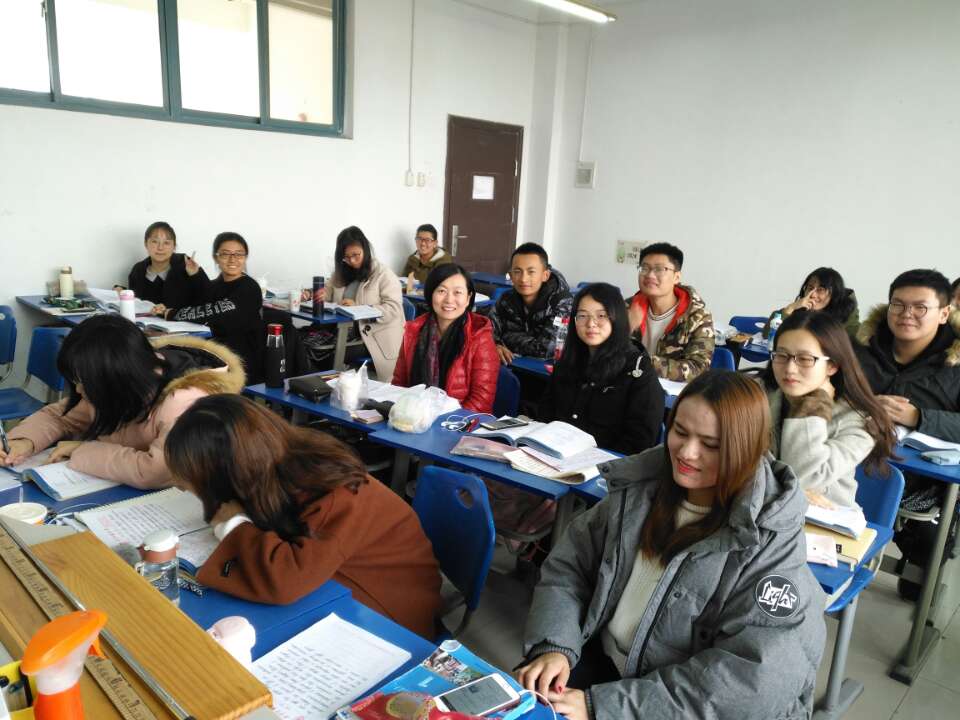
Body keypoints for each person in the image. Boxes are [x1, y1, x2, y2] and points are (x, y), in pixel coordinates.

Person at [517, 371, 825, 720]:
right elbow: (570, 566)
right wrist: (554, 645)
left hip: (682, 704)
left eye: (711, 445)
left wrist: (604, 706)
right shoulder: (640, 488)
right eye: (680, 431)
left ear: (747, 448)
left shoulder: (771, 540)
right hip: (608, 665)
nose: (687, 453)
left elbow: (749, 680)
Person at [164, 394, 441, 638]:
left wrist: (234, 524)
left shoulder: (335, 493)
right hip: (335, 582)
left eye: (193, 482)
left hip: (390, 613)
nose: (180, 487)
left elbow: (286, 580)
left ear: (230, 472)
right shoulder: (274, 465)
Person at [0, 315, 245, 487]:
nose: (79, 390)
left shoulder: (184, 400)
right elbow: (59, 415)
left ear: (118, 377)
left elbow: (155, 472)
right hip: (117, 486)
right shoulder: (114, 385)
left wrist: (82, 450)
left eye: (84, 382)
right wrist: (24, 441)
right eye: (76, 381)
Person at [854, 268, 960, 598]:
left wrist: (919, 417)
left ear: (944, 313)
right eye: (898, 305)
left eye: (920, 307)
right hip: (850, 459)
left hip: (922, 481)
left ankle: (919, 576)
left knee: (926, 557)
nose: (906, 314)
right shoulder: (862, 347)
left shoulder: (955, 365)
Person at [763, 310, 894, 508]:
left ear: (832, 365)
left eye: (805, 359)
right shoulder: (758, 398)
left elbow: (804, 476)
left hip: (825, 519)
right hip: (762, 510)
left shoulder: (860, 422)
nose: (790, 368)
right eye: (781, 355)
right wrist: (779, 490)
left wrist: (814, 405)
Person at [539, 283, 664, 455]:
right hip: (554, 455)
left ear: (617, 318)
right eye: (582, 316)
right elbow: (545, 415)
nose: (591, 323)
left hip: (606, 464)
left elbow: (639, 443)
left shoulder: (638, 370)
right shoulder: (568, 361)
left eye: (601, 316)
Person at [160, 232, 266, 383]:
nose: (232, 259)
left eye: (239, 254)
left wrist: (172, 314)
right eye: (225, 254)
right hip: (214, 352)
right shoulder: (216, 284)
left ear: (245, 257)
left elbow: (213, 311)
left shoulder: (249, 287)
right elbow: (201, 303)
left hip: (240, 360)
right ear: (216, 258)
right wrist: (195, 275)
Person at [392, 264, 499, 413]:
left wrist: (442, 421)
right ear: (430, 294)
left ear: (468, 298)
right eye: (441, 291)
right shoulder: (414, 330)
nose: (449, 300)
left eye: (457, 292)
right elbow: (399, 385)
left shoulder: (480, 336)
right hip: (414, 416)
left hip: (457, 422)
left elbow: (481, 400)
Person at [627, 242, 714, 381]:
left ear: (676, 277)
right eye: (644, 268)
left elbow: (698, 368)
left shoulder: (698, 317)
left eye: (659, 269)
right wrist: (627, 328)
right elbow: (604, 353)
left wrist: (643, 363)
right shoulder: (627, 308)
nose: (650, 275)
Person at [327, 226, 404, 380]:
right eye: (346, 257)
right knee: (305, 344)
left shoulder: (383, 274)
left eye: (356, 255)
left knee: (324, 354)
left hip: (372, 338)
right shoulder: (341, 273)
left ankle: (328, 387)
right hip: (343, 333)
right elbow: (327, 293)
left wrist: (358, 309)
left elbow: (394, 309)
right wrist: (313, 294)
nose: (352, 261)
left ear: (365, 249)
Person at [490, 243, 573, 365]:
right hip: (515, 364)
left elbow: (547, 350)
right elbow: (487, 332)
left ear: (545, 275)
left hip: (550, 370)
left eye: (531, 272)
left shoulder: (561, 302)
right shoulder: (506, 299)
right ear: (511, 276)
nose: (523, 279)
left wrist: (507, 337)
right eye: (517, 271)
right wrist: (496, 345)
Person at [121, 221, 208, 309]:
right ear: (146, 244)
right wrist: (122, 291)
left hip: (180, 318)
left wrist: (196, 275)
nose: (160, 248)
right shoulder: (138, 270)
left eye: (166, 243)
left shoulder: (186, 265)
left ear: (174, 247)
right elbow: (135, 304)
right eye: (155, 241)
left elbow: (208, 299)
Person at [762, 267, 860, 339]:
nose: (812, 294)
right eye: (810, 288)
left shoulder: (847, 315)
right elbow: (767, 335)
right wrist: (790, 309)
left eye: (820, 290)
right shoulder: (801, 307)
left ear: (834, 294)